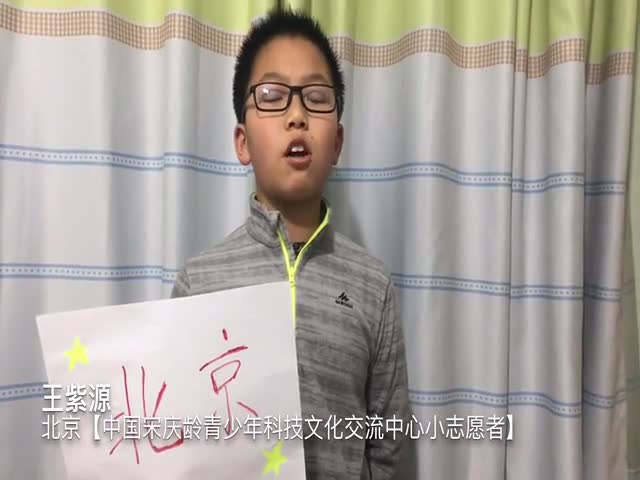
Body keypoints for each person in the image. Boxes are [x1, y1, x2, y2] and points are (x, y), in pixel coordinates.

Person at [172, 7, 409, 479]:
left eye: (316, 98)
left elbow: (386, 443)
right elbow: (178, 433)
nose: (297, 116)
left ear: (336, 142)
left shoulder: (372, 285)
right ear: (243, 142)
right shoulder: (199, 281)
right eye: (273, 96)